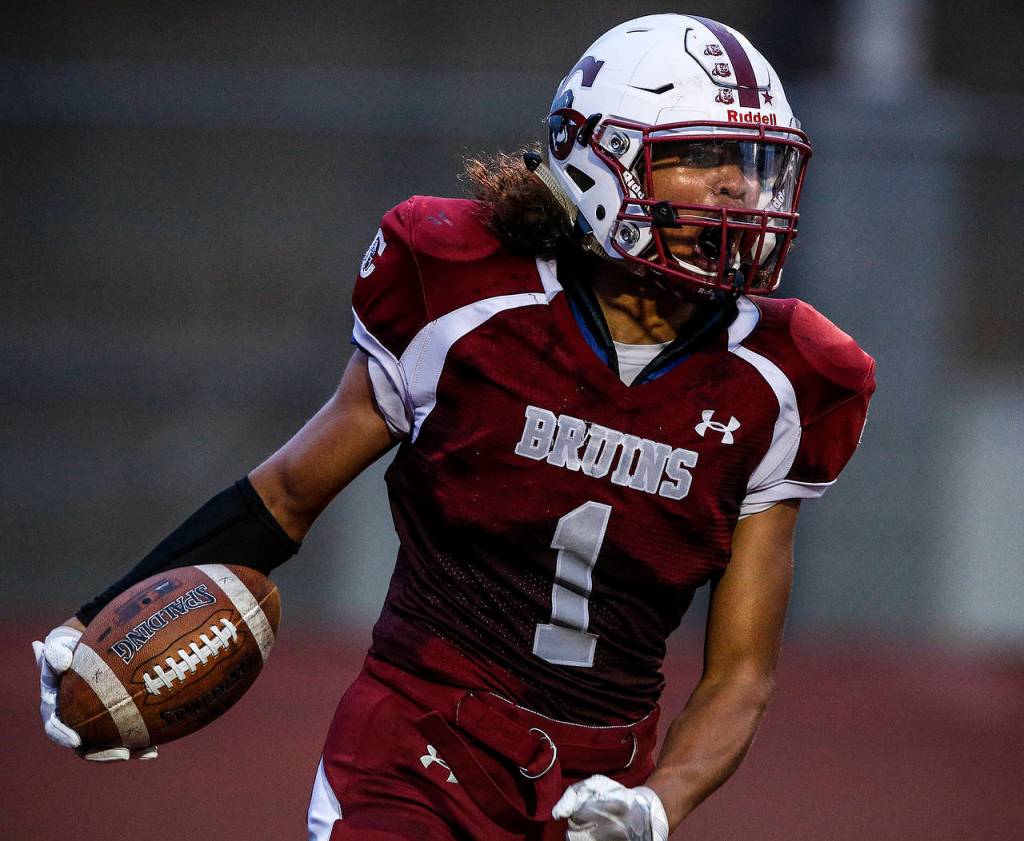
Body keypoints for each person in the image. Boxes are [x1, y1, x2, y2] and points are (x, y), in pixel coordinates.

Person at [33, 14, 876, 841]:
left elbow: (740, 675)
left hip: (599, 783)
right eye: (700, 155)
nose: (739, 186)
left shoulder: (787, 376)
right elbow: (287, 494)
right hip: (417, 741)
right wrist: (97, 620)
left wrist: (657, 803)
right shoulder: (467, 292)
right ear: (601, 159)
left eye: (750, 160)